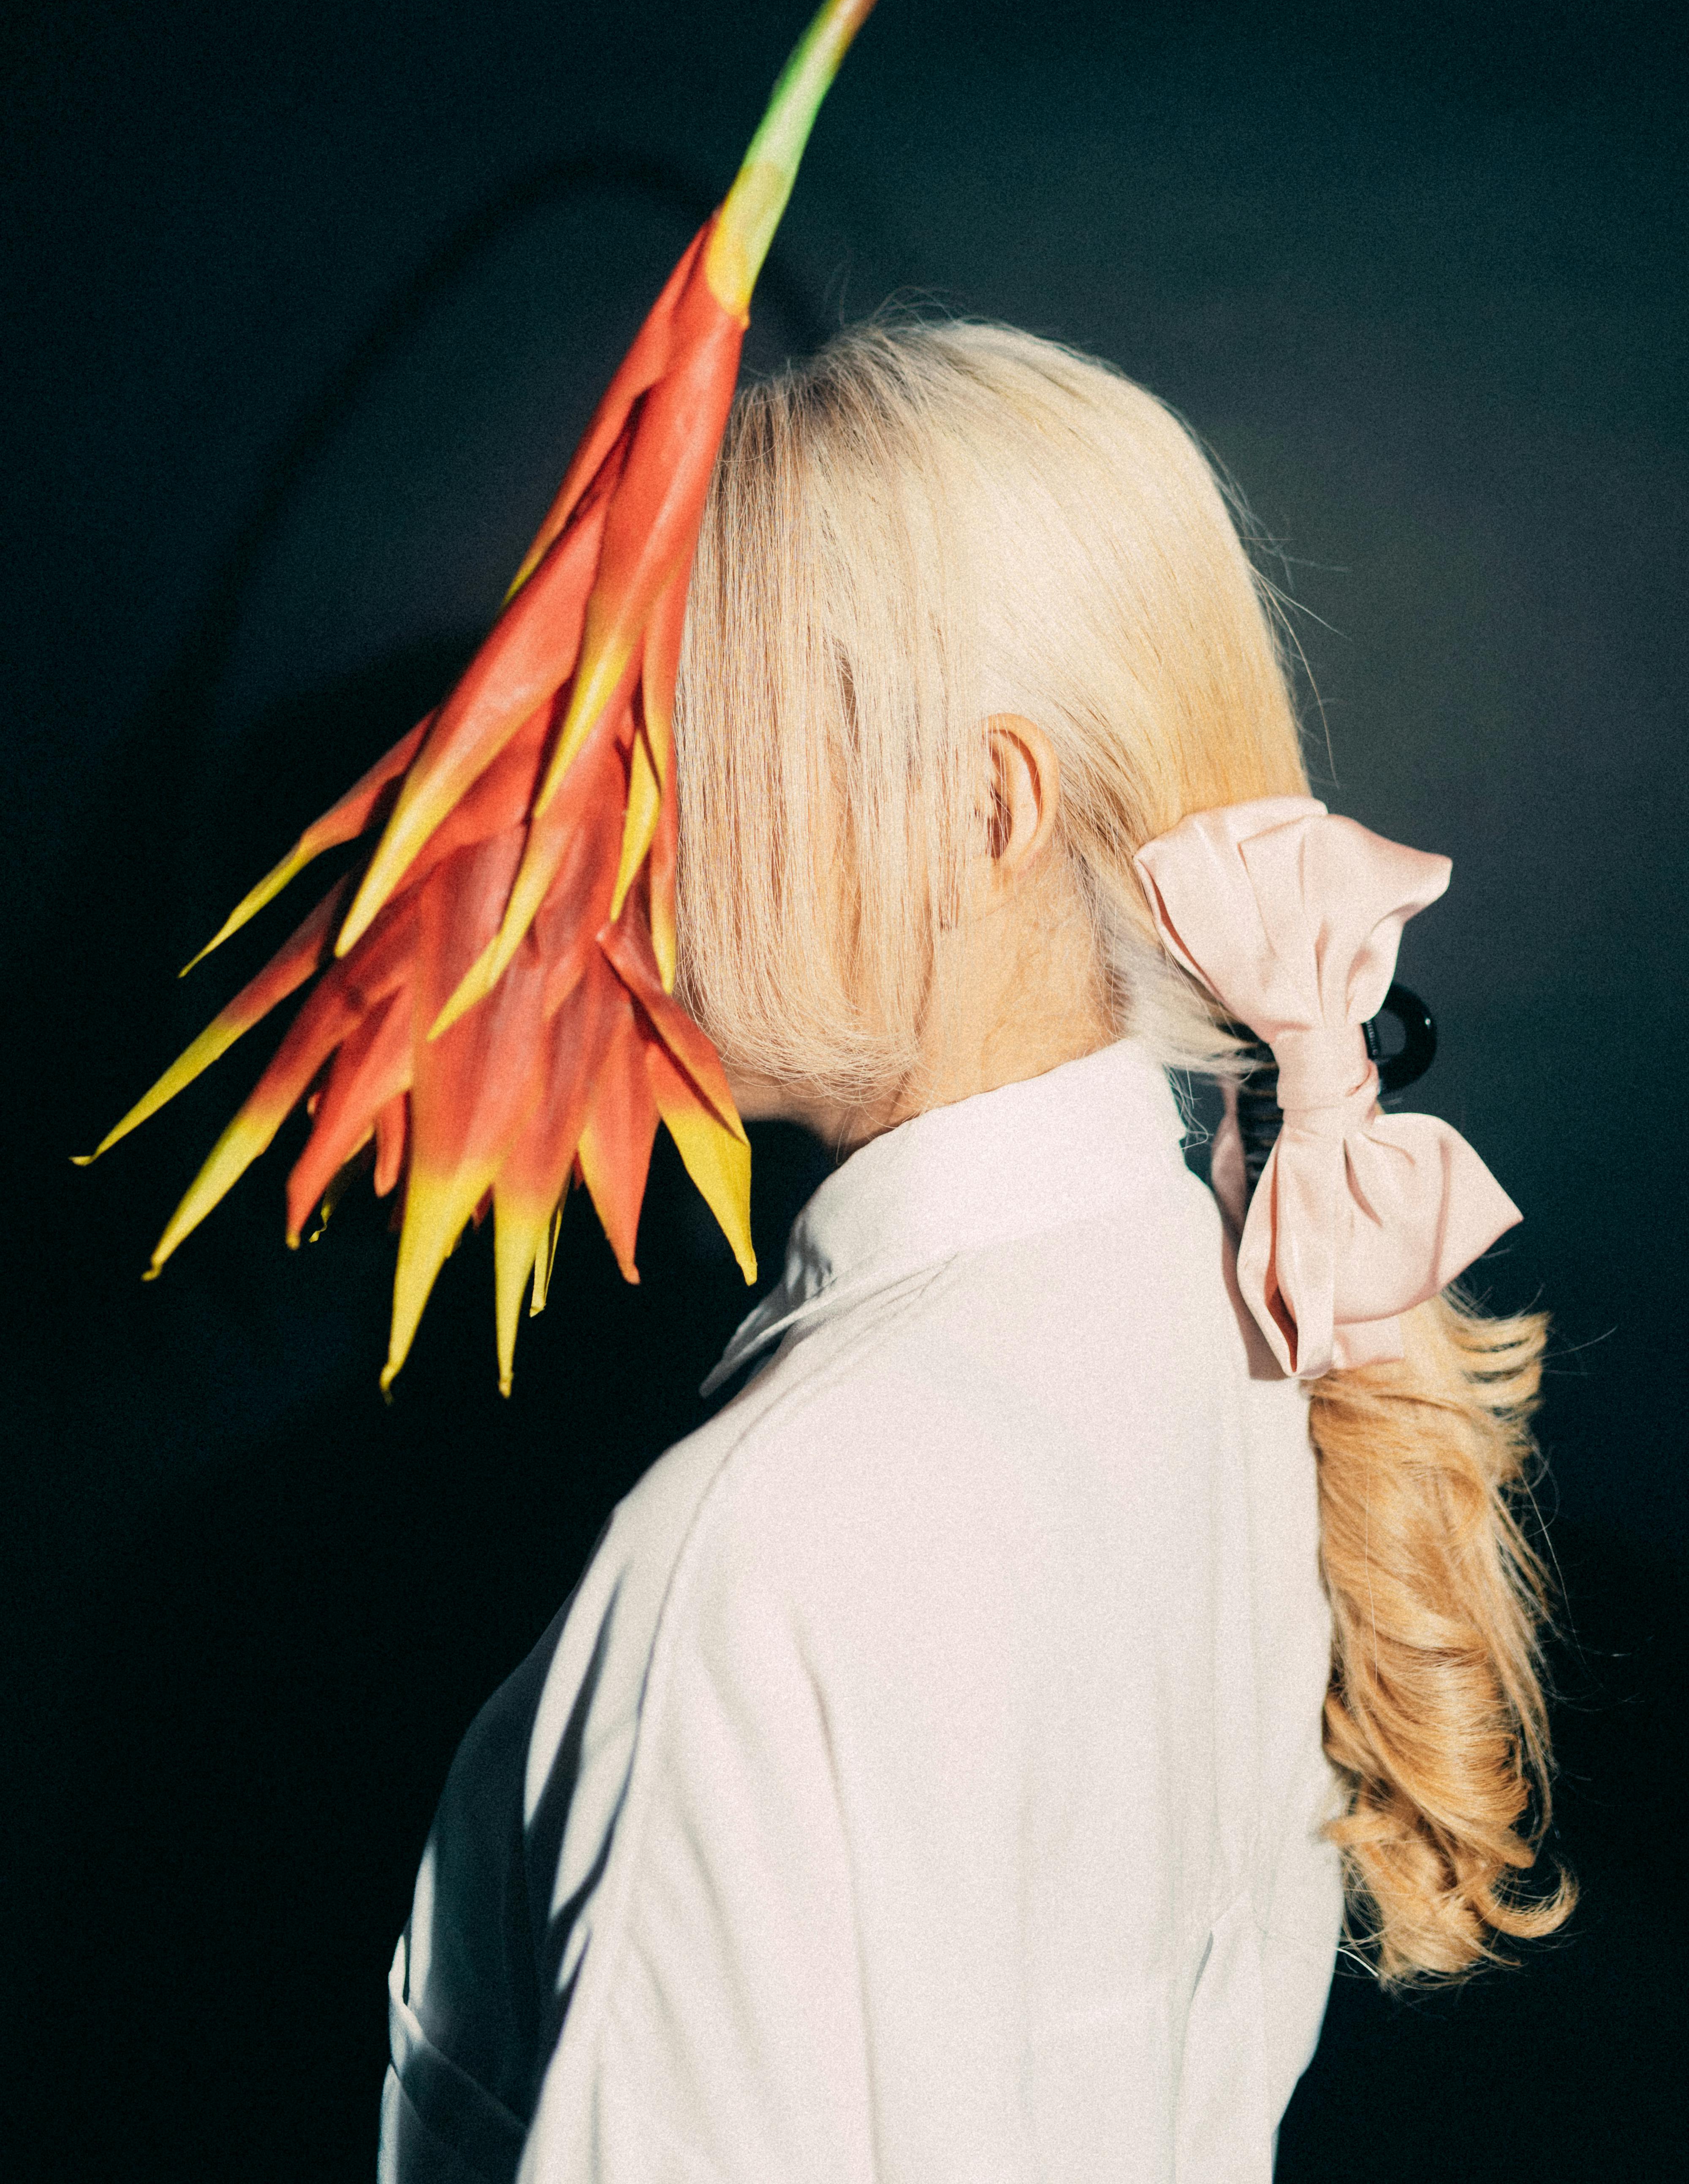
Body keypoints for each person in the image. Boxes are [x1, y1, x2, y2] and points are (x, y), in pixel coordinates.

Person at [378, 320, 1570, 2183]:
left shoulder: (761, 1551)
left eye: (688, 732)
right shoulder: (1233, 1311)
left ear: (983, 811)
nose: (614, 826)